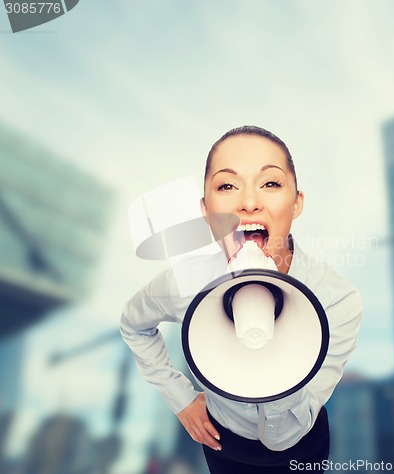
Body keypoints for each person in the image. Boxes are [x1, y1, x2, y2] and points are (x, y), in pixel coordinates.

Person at [121, 126, 362, 473]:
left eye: (270, 183)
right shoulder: (184, 283)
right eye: (227, 186)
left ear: (296, 204)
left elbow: (282, 437)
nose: (248, 202)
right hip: (222, 442)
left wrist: (273, 357)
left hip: (300, 447)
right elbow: (133, 325)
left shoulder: (338, 300)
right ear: (207, 211)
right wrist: (182, 400)